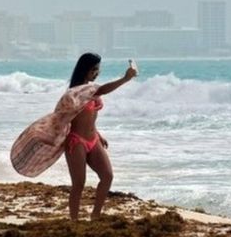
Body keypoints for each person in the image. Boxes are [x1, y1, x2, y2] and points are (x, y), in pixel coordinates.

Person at [10, 52, 137, 221]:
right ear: (85, 70)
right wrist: (125, 79)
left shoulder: (90, 91)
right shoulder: (73, 95)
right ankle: (74, 221)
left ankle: (95, 216)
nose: (96, 73)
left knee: (107, 176)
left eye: (98, 69)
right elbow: (97, 94)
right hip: (76, 142)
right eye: (94, 70)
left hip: (93, 140)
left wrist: (99, 135)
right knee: (79, 184)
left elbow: (89, 117)